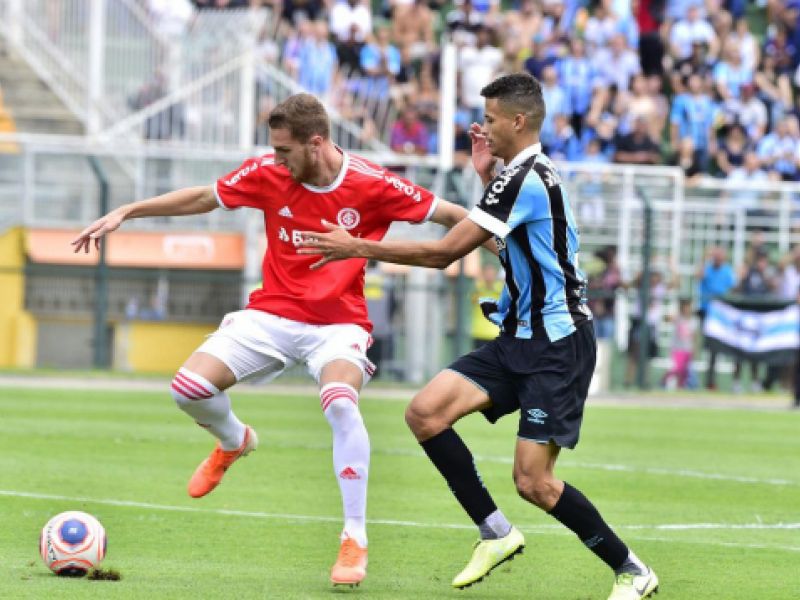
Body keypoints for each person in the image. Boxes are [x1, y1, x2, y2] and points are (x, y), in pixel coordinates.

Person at [71, 93, 476, 587]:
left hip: (338, 322)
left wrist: (503, 242)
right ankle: (233, 440)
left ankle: (354, 538)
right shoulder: (268, 173)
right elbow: (203, 197)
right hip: (271, 314)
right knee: (188, 389)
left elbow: (455, 216)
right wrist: (128, 211)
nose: (277, 160)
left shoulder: (373, 183)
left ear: (316, 143)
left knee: (341, 402)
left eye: (285, 151)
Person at [298, 73, 658, 600]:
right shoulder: (517, 176)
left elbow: (446, 252)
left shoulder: (525, 178)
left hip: (557, 345)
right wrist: (487, 174)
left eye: (490, 119)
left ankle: (631, 569)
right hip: (519, 337)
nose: (483, 128)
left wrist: (357, 246)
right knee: (425, 413)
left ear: (518, 121)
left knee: (534, 482)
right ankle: (495, 532)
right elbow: (500, 241)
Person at [696, 246, 736, 390]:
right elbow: (698, 276)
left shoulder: (727, 271)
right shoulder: (707, 268)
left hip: (721, 314)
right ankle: (707, 381)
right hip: (707, 312)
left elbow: (733, 288)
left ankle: (712, 381)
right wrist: (704, 258)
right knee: (708, 348)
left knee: (717, 349)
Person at [662, 297, 698, 389]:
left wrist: (694, 349)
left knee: (684, 371)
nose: (687, 310)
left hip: (687, 349)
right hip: (676, 349)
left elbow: (694, 337)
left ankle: (680, 386)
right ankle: (663, 383)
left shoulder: (693, 321)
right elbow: (666, 318)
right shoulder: (678, 318)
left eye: (688, 307)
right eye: (685, 307)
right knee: (674, 369)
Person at [470, 261, 503, 350]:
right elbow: (473, 299)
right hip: (479, 332)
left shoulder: (501, 288)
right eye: (487, 273)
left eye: (491, 273)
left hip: (495, 333)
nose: (489, 276)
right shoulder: (478, 288)